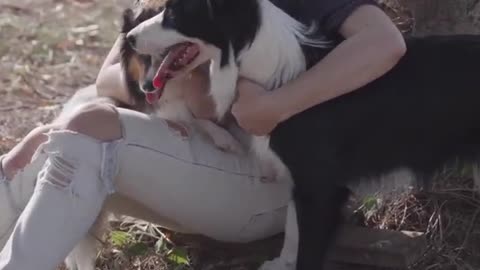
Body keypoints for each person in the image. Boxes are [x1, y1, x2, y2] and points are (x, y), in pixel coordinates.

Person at [0, 0, 406, 269]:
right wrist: (176, 76)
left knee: (86, 124)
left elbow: (384, 43)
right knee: (71, 126)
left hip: (266, 180)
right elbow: (108, 77)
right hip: (185, 162)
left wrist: (277, 105)